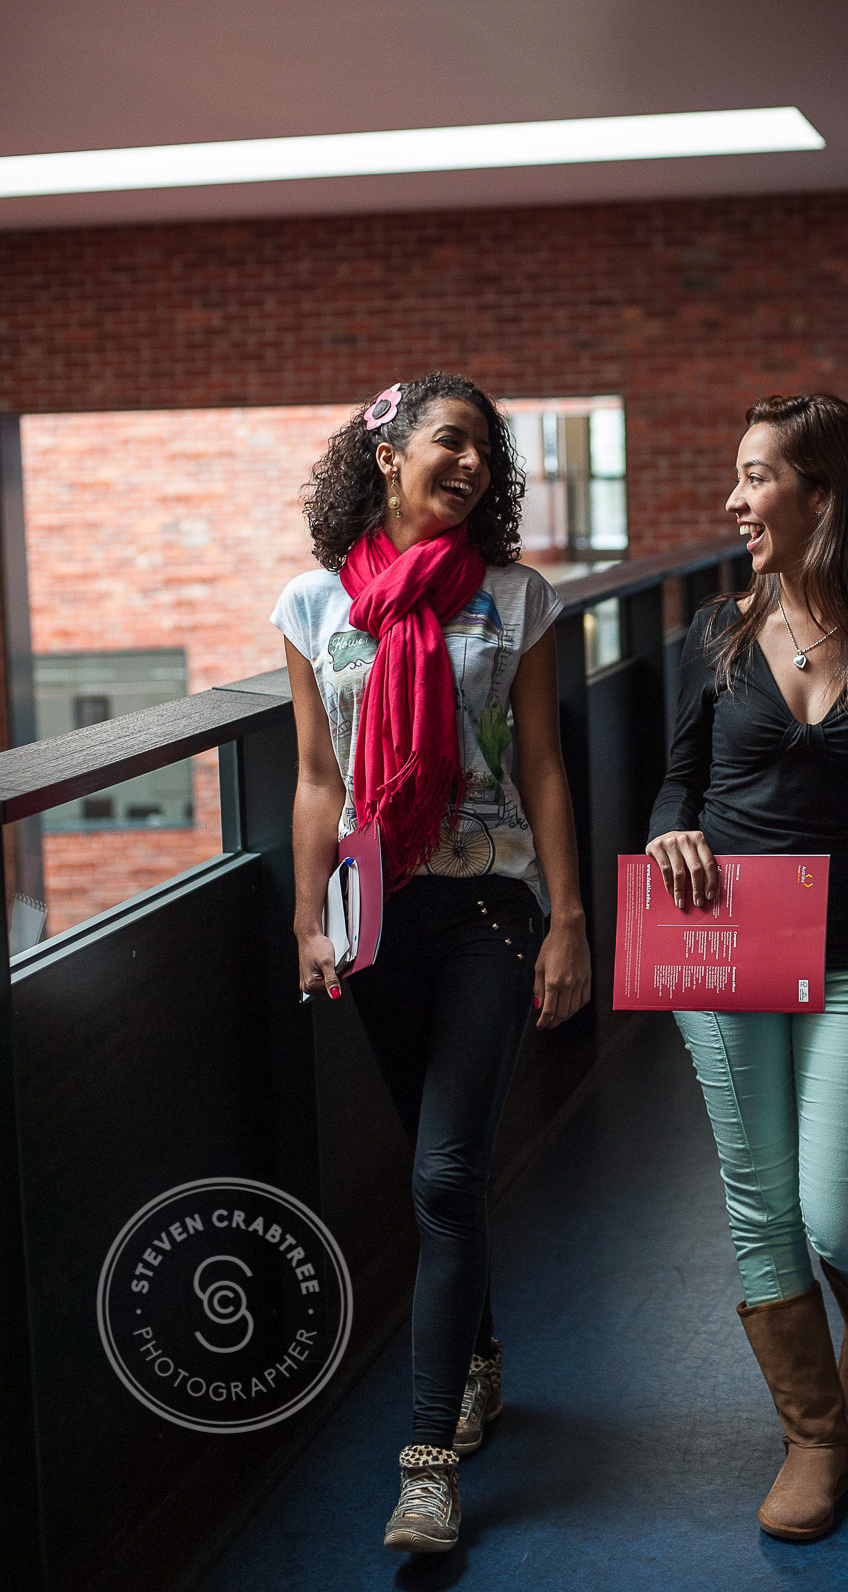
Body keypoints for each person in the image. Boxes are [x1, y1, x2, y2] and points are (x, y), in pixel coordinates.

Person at [646, 392, 848, 1544]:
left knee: (839, 1217)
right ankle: (813, 1440)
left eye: (757, 477)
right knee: (759, 1201)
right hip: (720, 939)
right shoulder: (716, 633)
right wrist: (670, 833)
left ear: (821, 493)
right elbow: (676, 784)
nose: (735, 501)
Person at [271, 372, 591, 1555]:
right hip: (374, 918)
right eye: (451, 442)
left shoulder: (516, 597)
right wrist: (307, 918)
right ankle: (478, 1357)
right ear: (388, 454)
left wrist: (570, 917)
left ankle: (424, 1469)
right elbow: (318, 776)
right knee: (432, 1165)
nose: (470, 465)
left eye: (485, 452)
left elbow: (544, 761)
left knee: (448, 1174)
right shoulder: (313, 604)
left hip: (489, 909)